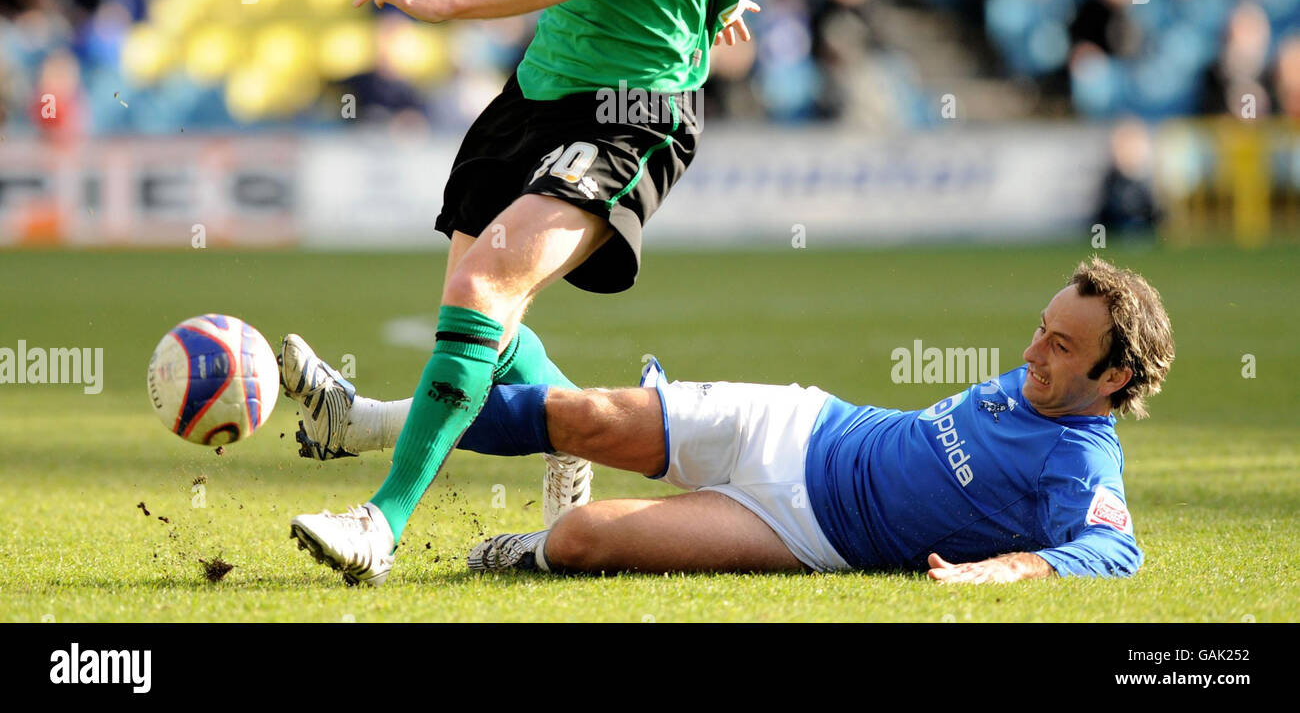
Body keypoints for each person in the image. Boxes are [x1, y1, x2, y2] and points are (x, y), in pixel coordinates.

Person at [287, 0, 756, 584]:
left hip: (629, 113)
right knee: (484, 315)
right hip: (534, 94)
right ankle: (565, 437)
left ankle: (380, 523)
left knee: (485, 286)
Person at [284, 258, 1173, 584]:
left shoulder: (1083, 461)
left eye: (1062, 346)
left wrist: (1003, 572)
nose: (1037, 351)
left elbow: (1112, 553)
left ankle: (523, 544)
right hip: (798, 422)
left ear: (1116, 373)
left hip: (803, 528)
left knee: (584, 536)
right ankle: (354, 420)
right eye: (1042, 329)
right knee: (578, 415)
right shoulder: (1042, 378)